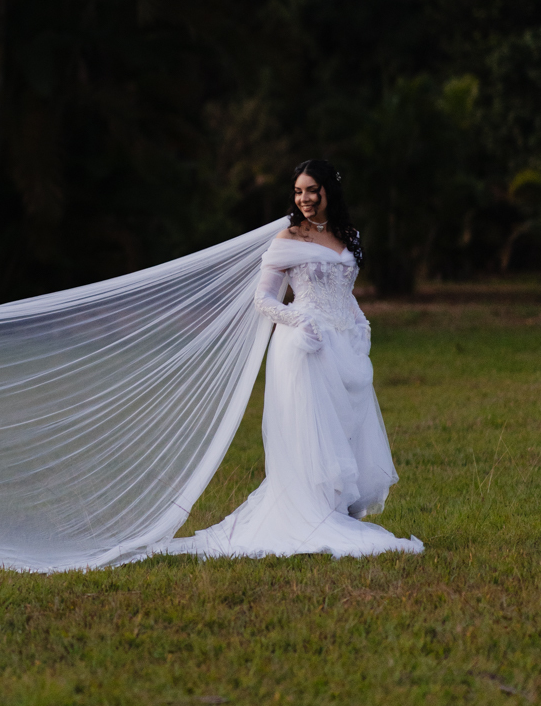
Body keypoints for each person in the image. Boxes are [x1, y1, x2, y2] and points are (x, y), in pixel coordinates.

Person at [180, 158, 422, 559]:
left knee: (343, 430)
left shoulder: (349, 235)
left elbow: (344, 290)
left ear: (329, 190)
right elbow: (264, 299)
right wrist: (298, 320)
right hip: (304, 345)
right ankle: (312, 514)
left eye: (312, 189)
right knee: (313, 432)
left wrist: (360, 320)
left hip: (344, 345)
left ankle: (336, 509)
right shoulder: (288, 237)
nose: (305, 198)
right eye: (298, 191)